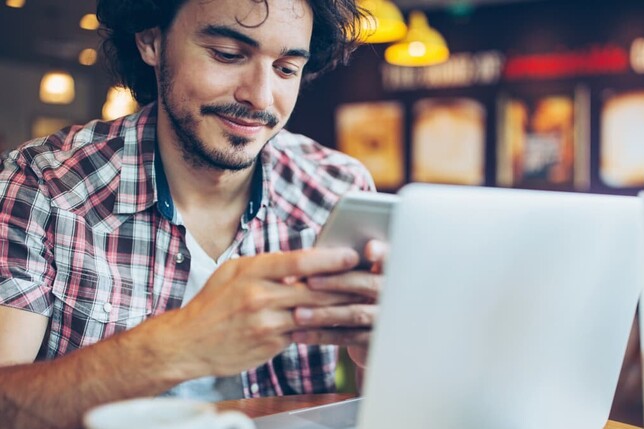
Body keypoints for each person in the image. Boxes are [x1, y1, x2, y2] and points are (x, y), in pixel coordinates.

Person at [0, 0, 383, 428]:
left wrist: (384, 353)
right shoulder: (44, 183)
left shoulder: (337, 190)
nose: (259, 96)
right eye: (227, 54)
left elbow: (396, 409)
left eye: (285, 68)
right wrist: (178, 344)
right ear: (151, 41)